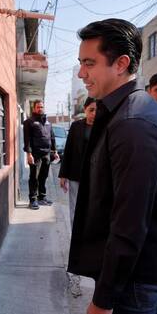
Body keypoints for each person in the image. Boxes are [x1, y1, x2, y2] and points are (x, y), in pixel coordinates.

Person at [68, 19, 157, 314]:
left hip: (131, 279)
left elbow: (129, 222)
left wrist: (104, 298)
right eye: (81, 63)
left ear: (120, 64)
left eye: (89, 63)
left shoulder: (132, 121)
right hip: (139, 273)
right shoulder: (125, 110)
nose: (81, 73)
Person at [58, 97, 97, 227]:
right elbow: (68, 150)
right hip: (76, 173)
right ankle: (75, 234)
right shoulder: (76, 126)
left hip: (96, 175)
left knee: (93, 207)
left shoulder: (104, 126)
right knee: (75, 206)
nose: (94, 113)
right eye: (91, 110)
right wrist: (63, 175)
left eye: (97, 110)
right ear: (85, 109)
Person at [23, 99, 59, 210]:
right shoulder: (29, 122)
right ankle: (33, 199)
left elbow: (52, 137)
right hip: (35, 154)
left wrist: (55, 151)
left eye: (41, 107)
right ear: (34, 108)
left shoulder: (47, 122)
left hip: (46, 154)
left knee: (44, 176)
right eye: (38, 107)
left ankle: (42, 197)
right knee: (34, 177)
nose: (40, 109)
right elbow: (27, 140)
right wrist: (29, 154)